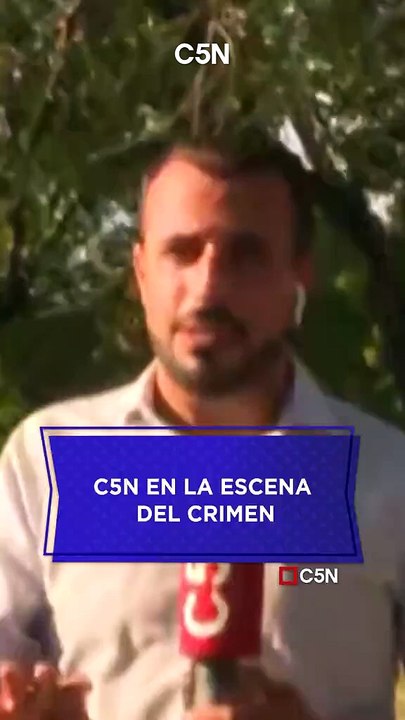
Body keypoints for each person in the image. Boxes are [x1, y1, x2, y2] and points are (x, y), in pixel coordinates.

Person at [1, 136, 405, 720]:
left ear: (299, 276)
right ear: (141, 273)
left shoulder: (385, 476)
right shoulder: (51, 461)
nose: (209, 287)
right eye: (182, 252)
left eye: (246, 255)